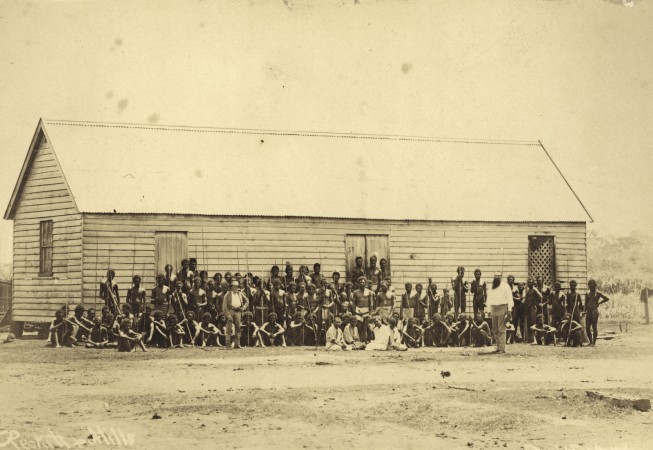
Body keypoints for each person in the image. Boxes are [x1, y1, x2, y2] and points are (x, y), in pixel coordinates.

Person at [485, 272, 512, 354]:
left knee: (501, 329)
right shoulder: (491, 286)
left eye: (498, 277)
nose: (497, 278)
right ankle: (498, 346)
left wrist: (509, 310)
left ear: (501, 277)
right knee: (495, 329)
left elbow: (510, 299)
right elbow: (488, 299)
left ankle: (502, 349)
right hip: (493, 308)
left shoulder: (505, 286)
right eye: (495, 277)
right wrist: (488, 310)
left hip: (502, 308)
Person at [585, 279, 610, 346]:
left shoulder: (598, 293)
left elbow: (607, 298)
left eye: (593, 286)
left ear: (595, 286)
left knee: (594, 327)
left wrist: (599, 302)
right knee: (587, 327)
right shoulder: (587, 293)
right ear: (588, 286)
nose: (591, 287)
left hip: (594, 312)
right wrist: (584, 311)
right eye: (590, 286)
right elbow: (585, 303)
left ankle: (594, 342)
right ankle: (590, 341)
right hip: (588, 311)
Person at [224, 280, 248, 349]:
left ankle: (237, 344)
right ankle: (228, 345)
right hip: (230, 310)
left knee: (238, 328)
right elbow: (224, 306)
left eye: (237, 287)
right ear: (231, 287)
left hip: (238, 311)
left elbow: (247, 300)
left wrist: (243, 308)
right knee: (229, 328)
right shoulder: (227, 294)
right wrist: (228, 315)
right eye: (234, 287)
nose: (235, 288)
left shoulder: (240, 294)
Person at [353, 277, 374, 342]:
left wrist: (370, 314)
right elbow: (354, 303)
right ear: (358, 283)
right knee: (359, 327)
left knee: (365, 327)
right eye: (360, 282)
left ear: (365, 283)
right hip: (358, 311)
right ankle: (359, 341)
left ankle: (364, 341)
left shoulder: (369, 292)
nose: (362, 283)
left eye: (363, 282)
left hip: (366, 311)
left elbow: (371, 303)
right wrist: (354, 313)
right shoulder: (355, 292)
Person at [523, 279, 541, 343]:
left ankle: (534, 338)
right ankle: (529, 338)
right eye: (528, 283)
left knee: (533, 322)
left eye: (531, 283)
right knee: (528, 322)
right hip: (527, 308)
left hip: (532, 308)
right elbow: (526, 298)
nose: (529, 284)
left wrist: (535, 302)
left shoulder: (535, 289)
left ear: (533, 283)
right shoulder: (527, 290)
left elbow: (540, 296)